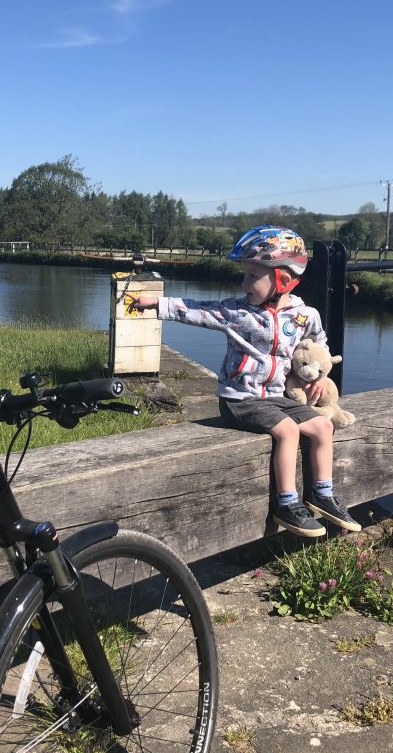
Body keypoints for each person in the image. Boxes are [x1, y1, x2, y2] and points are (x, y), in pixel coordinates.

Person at [128, 225, 360, 539]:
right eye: (245, 275)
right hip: (241, 399)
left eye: (253, 276)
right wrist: (156, 304)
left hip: (278, 398)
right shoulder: (238, 313)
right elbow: (198, 310)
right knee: (289, 430)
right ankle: (286, 503)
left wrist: (321, 378)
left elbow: (321, 347)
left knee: (323, 426)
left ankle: (322, 494)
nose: (244, 282)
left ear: (283, 280)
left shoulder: (306, 316)